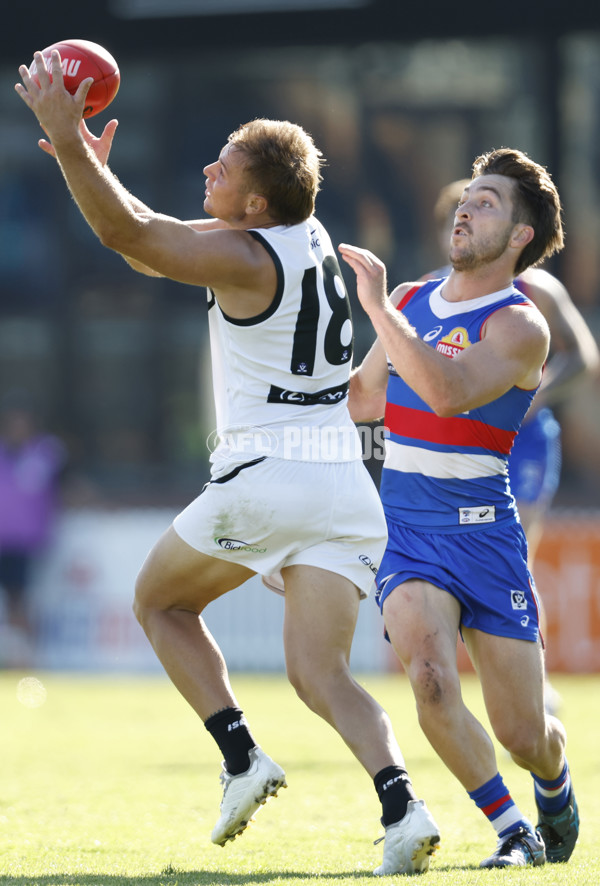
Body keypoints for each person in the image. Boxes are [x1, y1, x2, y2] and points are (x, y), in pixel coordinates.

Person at [15, 52, 440, 875]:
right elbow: (149, 246)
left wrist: (68, 143)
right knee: (322, 676)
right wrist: (97, 174)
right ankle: (403, 807)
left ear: (253, 203)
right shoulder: (301, 232)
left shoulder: (247, 258)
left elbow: (128, 235)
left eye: (225, 166)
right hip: (343, 476)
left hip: (270, 467)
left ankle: (242, 757)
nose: (207, 167)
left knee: (158, 604)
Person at [339, 147, 579, 868]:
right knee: (430, 678)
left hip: (485, 539)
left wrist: (378, 310)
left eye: (489, 202)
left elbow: (445, 391)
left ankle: (553, 784)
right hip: (410, 536)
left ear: (519, 238)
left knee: (524, 733)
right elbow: (361, 399)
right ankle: (514, 831)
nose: (466, 208)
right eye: (468, 196)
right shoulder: (413, 300)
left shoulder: (520, 325)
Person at [427, 178, 600, 712]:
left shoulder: (539, 291)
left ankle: (531, 685)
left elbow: (583, 357)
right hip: (458, 447)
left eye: (483, 210)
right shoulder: (430, 293)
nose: (465, 224)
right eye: (458, 215)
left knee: (514, 555)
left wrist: (537, 394)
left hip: (522, 444)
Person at [0, 390, 67, 666]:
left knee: (20, 600)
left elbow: (69, 485)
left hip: (23, 541)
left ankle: (24, 658)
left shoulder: (46, 452)